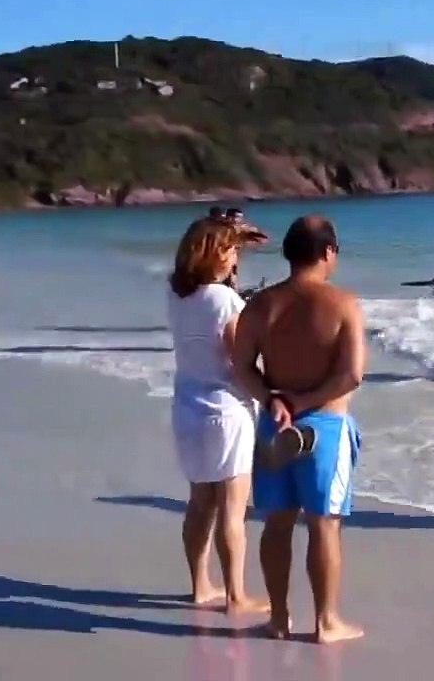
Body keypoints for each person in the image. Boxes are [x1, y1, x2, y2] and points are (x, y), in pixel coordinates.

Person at [231, 214, 365, 644]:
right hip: (324, 427)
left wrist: (274, 400)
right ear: (328, 252)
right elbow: (351, 375)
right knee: (324, 525)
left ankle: (278, 618)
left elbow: (241, 368)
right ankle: (326, 622)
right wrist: (303, 404)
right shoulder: (343, 304)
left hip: (276, 425)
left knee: (277, 524)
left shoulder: (260, 306)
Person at [167, 218, 271, 614]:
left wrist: (234, 236)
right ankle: (236, 596)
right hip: (226, 411)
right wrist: (272, 394)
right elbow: (239, 359)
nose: (234, 257)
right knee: (232, 509)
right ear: (214, 255)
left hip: (187, 409)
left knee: (200, 503)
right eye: (229, 250)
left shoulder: (176, 295)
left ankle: (200, 586)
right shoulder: (225, 301)